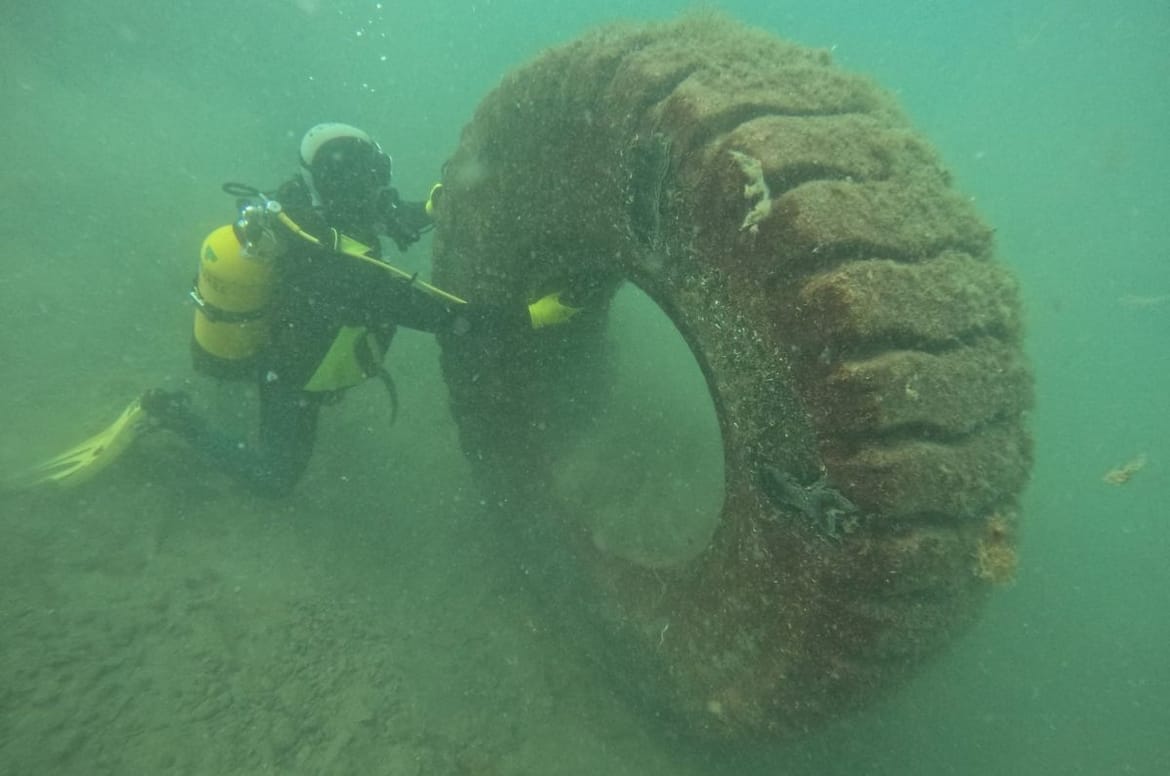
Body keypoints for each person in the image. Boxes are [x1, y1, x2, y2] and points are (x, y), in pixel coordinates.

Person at [15, 123, 580, 496]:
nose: (384, 187)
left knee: (268, 398)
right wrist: (532, 317)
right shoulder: (344, 263)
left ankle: (222, 387)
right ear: (358, 179)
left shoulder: (319, 216)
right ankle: (168, 413)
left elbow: (390, 221)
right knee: (276, 476)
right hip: (290, 376)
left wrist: (429, 206)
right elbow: (443, 314)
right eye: (376, 176)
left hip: (284, 347)